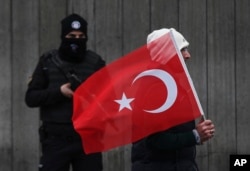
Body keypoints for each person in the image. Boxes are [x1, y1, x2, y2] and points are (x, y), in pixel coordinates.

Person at [25, 13, 105, 171]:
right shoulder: (48, 61)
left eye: (81, 36)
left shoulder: (95, 63)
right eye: (71, 35)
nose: (76, 39)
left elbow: (110, 98)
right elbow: (31, 98)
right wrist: (59, 92)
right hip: (56, 140)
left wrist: (93, 98)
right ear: (63, 36)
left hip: (87, 139)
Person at [131, 28, 215, 171]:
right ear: (166, 53)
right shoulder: (154, 88)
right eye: (182, 49)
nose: (188, 55)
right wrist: (195, 135)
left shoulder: (170, 85)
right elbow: (155, 139)